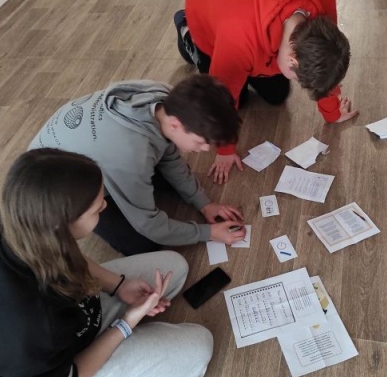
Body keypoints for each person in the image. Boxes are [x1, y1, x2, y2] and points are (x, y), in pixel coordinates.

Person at [0, 149, 213, 377]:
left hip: (67, 323)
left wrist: (118, 285)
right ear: (60, 227)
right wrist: (126, 323)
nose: (104, 207)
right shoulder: (33, 327)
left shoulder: (19, 222)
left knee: (175, 265)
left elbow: (67, 255)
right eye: (96, 208)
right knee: (199, 347)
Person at [174, 0, 356, 184]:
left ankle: (245, 65)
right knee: (237, 98)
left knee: (277, 94)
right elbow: (222, 98)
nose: (299, 84)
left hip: (250, 4)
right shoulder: (236, 37)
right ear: (292, 60)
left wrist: (332, 112)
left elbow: (327, 62)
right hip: (207, 0)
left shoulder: (324, 7)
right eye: (299, 80)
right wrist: (225, 150)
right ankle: (185, 30)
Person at [29, 75, 246, 256]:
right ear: (175, 124)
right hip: (58, 189)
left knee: (163, 175)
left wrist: (204, 204)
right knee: (143, 244)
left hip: (89, 151)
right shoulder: (131, 156)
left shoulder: (164, 98)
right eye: (201, 141)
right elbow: (150, 225)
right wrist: (209, 233)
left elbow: (169, 155)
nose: (206, 149)